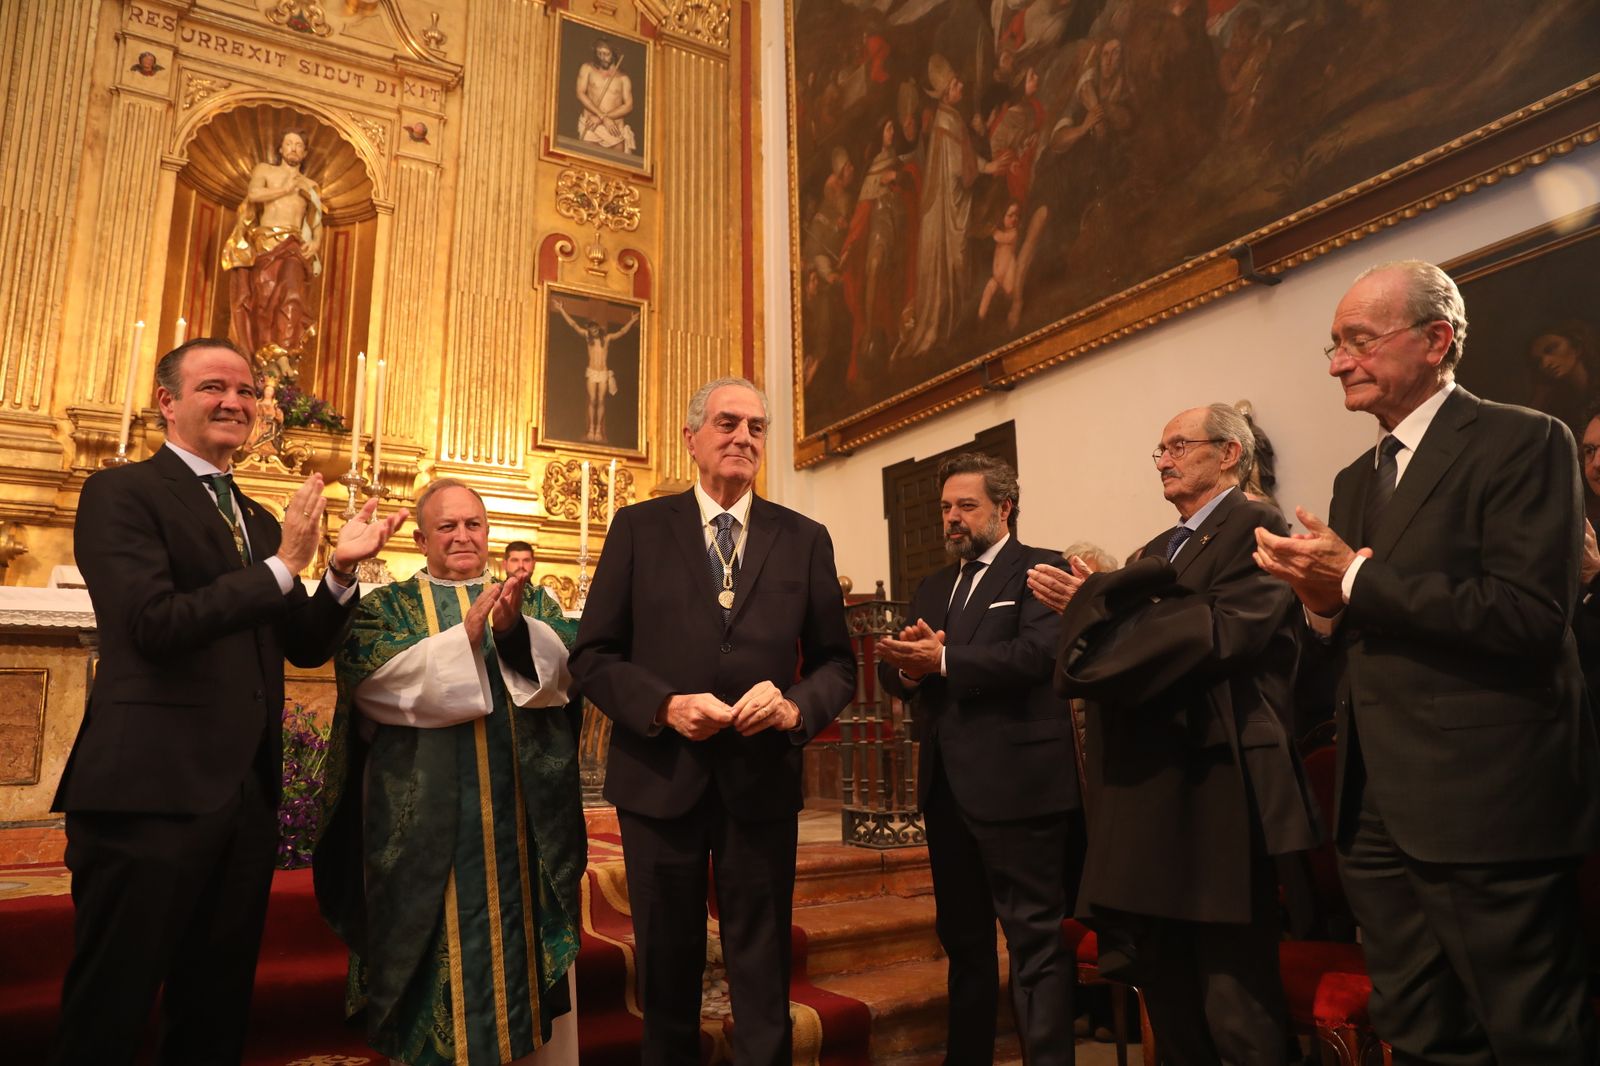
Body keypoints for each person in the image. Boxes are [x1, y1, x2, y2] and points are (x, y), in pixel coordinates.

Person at [1254, 260, 1600, 1065]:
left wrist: (1353, 576)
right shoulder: (1353, 479)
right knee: (1417, 1033)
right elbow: (1356, 627)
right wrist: (1320, 602)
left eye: (1358, 341)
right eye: (1333, 346)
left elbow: (1528, 616)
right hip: (1376, 809)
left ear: (1436, 339)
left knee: (1531, 1032)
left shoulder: (1524, 440)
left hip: (1488, 800)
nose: (1339, 361)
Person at [51, 337, 405, 1066]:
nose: (235, 403)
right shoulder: (120, 493)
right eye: (214, 387)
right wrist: (282, 566)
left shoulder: (259, 517)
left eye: (247, 392)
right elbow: (154, 625)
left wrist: (337, 569)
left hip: (243, 803)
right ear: (167, 403)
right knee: (109, 1012)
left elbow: (302, 643)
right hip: (148, 795)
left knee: (213, 1015)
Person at [569, 377, 855, 1065]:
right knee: (667, 967)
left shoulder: (803, 538)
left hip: (759, 783)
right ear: (692, 437)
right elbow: (594, 656)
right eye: (727, 423)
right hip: (660, 781)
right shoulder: (639, 528)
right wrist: (665, 706)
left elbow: (837, 665)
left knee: (761, 967)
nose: (743, 438)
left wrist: (794, 707)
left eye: (756, 427)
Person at [1035, 403, 1318, 1066]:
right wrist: (1097, 604)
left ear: (1227, 454)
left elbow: (1218, 633)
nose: (1161, 460)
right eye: (1158, 451)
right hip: (1150, 792)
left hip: (1218, 784)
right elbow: (1132, 641)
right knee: (1167, 989)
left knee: (1233, 997)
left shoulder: (1257, 525)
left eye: (1176, 446)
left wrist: (1099, 610)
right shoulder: (1153, 552)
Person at [313, 479, 585, 1066]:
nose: (463, 536)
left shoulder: (531, 602)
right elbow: (373, 682)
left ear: (488, 531)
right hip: (422, 834)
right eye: (447, 527)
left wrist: (513, 633)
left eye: (474, 525)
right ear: (420, 537)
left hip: (517, 827)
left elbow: (565, 673)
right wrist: (463, 639)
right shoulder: (386, 607)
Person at [876, 453, 1080, 1066]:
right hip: (947, 792)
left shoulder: (1041, 569)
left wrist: (941, 662)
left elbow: (1037, 655)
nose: (953, 519)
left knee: (1035, 949)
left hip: (1022, 790)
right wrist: (908, 670)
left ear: (1004, 508)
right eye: (946, 508)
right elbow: (901, 674)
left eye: (967, 506)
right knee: (963, 947)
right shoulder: (935, 585)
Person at [222, 130, 322, 366]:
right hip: (264, 243)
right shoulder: (265, 171)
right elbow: (254, 194)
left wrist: (316, 242)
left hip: (293, 247)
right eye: (288, 143)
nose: (293, 148)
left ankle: (283, 354)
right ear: (281, 149)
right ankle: (260, 358)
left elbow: (316, 221)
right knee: (262, 301)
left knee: (292, 294)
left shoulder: (311, 185)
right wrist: (285, 190)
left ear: (305, 152)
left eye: (299, 145)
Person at [553, 298, 639, 443]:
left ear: (598, 328)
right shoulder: (588, 338)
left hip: (603, 373)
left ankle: (598, 429)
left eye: (594, 328)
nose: (592, 331)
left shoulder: (607, 338)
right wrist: (561, 309)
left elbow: (622, 332)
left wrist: (632, 320)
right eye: (590, 329)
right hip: (592, 372)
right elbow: (573, 325)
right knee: (592, 400)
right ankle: (591, 429)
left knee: (600, 401)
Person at [575, 37, 637, 155]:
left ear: (614, 54)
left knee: (616, 167)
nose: (602, 57)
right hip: (591, 126)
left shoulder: (623, 79)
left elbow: (628, 106)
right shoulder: (587, 69)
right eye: (599, 53)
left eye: (606, 54)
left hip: (613, 129)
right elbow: (580, 93)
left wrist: (603, 118)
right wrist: (602, 117)